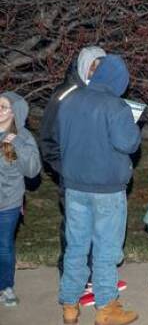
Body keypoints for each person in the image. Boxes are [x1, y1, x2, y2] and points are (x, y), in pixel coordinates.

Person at [57, 55, 141, 324]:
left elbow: (61, 140)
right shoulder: (116, 106)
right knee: (106, 249)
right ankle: (106, 308)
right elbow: (128, 143)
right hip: (107, 189)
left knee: (76, 246)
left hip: (74, 187)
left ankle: (69, 304)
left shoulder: (69, 100)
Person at [39, 46, 105, 283]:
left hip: (100, 174)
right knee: (76, 227)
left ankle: (94, 272)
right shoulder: (65, 95)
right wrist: (63, 166)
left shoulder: (104, 93)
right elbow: (47, 138)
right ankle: (71, 274)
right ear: (84, 66)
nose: (97, 73)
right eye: (94, 68)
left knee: (100, 226)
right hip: (73, 175)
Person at [0, 92, 41, 307]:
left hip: (8, 203)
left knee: (3, 246)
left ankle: (5, 286)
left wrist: (16, 144)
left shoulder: (23, 137)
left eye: (4, 107)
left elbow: (33, 171)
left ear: (15, 113)